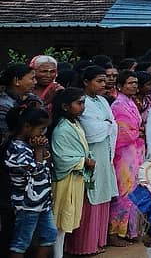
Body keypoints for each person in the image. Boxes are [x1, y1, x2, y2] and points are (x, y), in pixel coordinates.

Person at [64, 66, 116, 256]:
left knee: (102, 194)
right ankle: (82, 245)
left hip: (105, 152)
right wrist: (107, 125)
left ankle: (97, 241)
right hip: (91, 152)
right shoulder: (81, 102)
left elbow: (113, 124)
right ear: (86, 82)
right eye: (99, 81)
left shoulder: (102, 100)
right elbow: (92, 132)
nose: (104, 84)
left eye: (105, 81)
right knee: (89, 197)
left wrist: (106, 125)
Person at [4, 106, 56, 258]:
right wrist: (39, 151)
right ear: (27, 127)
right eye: (41, 129)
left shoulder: (30, 145)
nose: (43, 133)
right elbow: (36, 171)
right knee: (22, 241)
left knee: (49, 235)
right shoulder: (16, 149)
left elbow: (47, 163)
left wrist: (40, 151)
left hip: (42, 202)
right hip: (27, 205)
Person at [50, 88, 93, 258]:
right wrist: (84, 161)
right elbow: (61, 158)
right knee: (60, 223)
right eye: (79, 103)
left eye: (83, 103)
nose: (82, 107)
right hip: (65, 181)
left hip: (75, 179)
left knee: (65, 222)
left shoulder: (74, 124)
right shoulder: (62, 129)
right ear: (66, 106)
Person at [108, 71, 144, 246]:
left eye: (136, 82)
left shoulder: (130, 102)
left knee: (134, 191)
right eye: (130, 83)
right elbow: (121, 132)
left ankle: (131, 231)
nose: (134, 85)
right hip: (123, 154)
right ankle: (115, 232)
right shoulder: (118, 105)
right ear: (120, 86)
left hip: (134, 152)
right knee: (124, 192)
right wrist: (139, 132)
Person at [0, 64, 44, 144]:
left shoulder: (33, 100)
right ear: (16, 81)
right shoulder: (3, 106)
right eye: (32, 78)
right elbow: (7, 135)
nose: (35, 82)